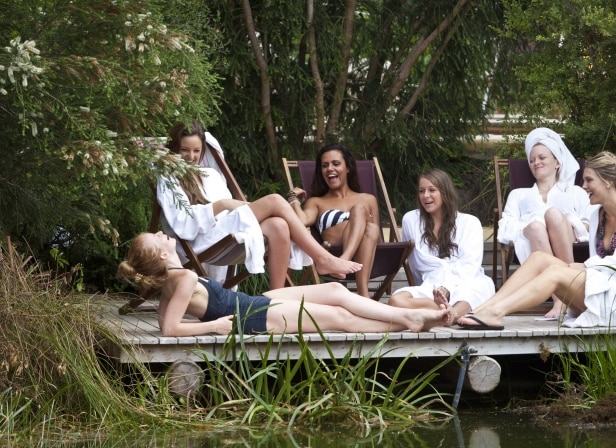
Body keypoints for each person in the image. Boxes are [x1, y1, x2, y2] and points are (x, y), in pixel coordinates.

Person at [458, 151, 616, 330]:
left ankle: (496, 312)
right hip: (602, 289)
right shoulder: (597, 216)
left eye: (589, 180)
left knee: (556, 272)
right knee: (539, 258)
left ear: (608, 181)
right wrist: (587, 268)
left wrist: (586, 266)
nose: (583, 186)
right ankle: (482, 309)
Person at [117, 232, 451, 336]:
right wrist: (215, 327)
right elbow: (170, 330)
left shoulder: (174, 280)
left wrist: (212, 320)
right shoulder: (184, 277)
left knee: (335, 291)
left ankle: (403, 317)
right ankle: (408, 321)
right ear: (162, 255)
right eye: (158, 237)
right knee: (338, 318)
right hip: (253, 317)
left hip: (252, 303)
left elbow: (164, 321)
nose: (164, 233)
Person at [157, 122, 361, 288]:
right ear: (174, 148)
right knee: (274, 200)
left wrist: (230, 206)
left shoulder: (209, 174)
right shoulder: (168, 179)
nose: (191, 157)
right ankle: (322, 258)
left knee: (279, 226)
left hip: (227, 231)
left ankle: (277, 298)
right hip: (203, 240)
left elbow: (233, 212)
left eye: (196, 151)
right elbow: (182, 223)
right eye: (184, 150)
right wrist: (222, 204)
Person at [496, 127, 593, 319]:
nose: (535, 163)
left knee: (554, 215)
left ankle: (569, 288)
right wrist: (535, 225)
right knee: (536, 226)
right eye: (532, 160)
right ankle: (561, 301)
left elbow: (590, 222)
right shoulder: (518, 195)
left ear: (557, 162)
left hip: (568, 236)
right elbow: (506, 225)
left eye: (542, 158)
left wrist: (565, 223)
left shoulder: (575, 192)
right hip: (533, 239)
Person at [388, 169, 495, 325]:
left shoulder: (470, 222)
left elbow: (470, 266)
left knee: (476, 289)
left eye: (432, 190)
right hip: (431, 284)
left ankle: (452, 313)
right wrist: (435, 290)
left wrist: (448, 288)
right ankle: (446, 311)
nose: (425, 196)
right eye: (421, 191)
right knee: (395, 300)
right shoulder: (411, 220)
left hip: (466, 280)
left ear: (445, 193)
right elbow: (414, 263)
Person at [288, 143, 379, 297]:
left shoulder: (368, 199)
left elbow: (376, 237)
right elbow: (302, 221)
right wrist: (292, 198)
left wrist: (362, 217)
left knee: (365, 218)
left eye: (336, 163)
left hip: (363, 255)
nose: (330, 168)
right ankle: (362, 293)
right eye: (325, 165)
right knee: (360, 211)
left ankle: (345, 264)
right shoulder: (316, 202)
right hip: (333, 252)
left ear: (348, 168)